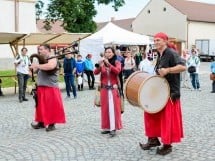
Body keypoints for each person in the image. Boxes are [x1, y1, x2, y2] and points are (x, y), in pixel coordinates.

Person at [139, 32, 186, 155]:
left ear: (165, 41)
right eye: (154, 40)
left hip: (170, 92)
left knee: (166, 119)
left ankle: (167, 145)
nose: (156, 42)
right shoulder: (159, 55)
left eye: (158, 40)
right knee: (150, 113)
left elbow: (183, 67)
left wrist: (168, 70)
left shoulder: (171, 53)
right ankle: (153, 139)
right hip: (160, 91)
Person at [30, 44, 66, 132]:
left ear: (47, 50)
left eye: (41, 49)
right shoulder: (41, 60)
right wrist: (30, 69)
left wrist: (37, 66)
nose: (39, 51)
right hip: (41, 86)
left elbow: (50, 66)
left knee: (51, 106)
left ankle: (52, 124)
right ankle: (41, 122)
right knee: (40, 106)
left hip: (50, 87)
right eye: (39, 50)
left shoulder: (53, 58)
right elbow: (34, 71)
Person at [94, 47, 122, 137]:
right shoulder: (103, 63)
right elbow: (95, 72)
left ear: (113, 53)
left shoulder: (117, 62)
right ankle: (106, 127)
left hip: (113, 89)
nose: (108, 53)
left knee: (113, 109)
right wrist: (100, 65)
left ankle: (113, 128)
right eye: (106, 52)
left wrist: (109, 64)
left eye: (110, 52)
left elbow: (117, 71)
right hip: (104, 89)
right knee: (105, 109)